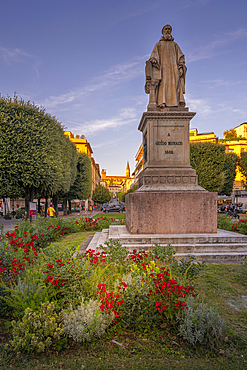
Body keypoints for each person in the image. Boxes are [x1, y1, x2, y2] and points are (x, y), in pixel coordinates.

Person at [145, 24, 187, 108]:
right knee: (163, 84)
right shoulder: (158, 45)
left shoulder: (175, 45)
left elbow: (181, 58)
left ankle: (175, 102)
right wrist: (154, 59)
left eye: (169, 29)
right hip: (163, 69)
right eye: (166, 29)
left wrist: (180, 67)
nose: (167, 31)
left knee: (175, 84)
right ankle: (162, 102)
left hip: (174, 69)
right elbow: (154, 55)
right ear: (163, 32)